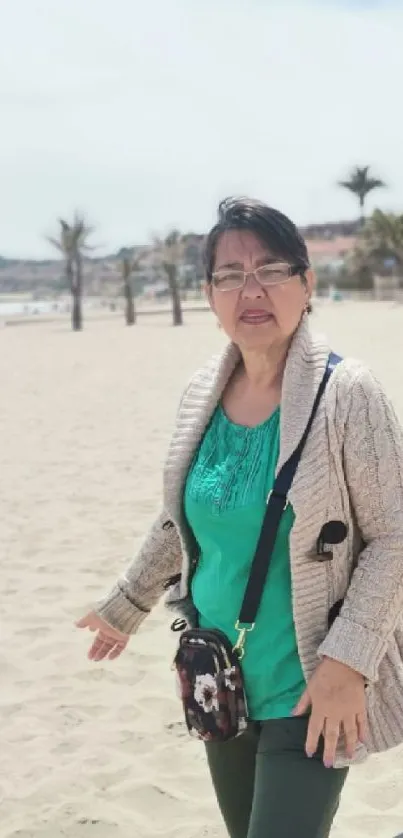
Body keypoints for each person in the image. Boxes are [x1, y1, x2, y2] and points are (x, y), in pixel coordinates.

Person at [77, 197, 403, 838]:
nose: (250, 290)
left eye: (271, 269)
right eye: (229, 274)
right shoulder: (203, 392)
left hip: (310, 687)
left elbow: (395, 534)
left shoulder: (348, 395)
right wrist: (126, 604)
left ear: (307, 284)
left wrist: (350, 661)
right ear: (210, 294)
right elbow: (184, 522)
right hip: (218, 681)